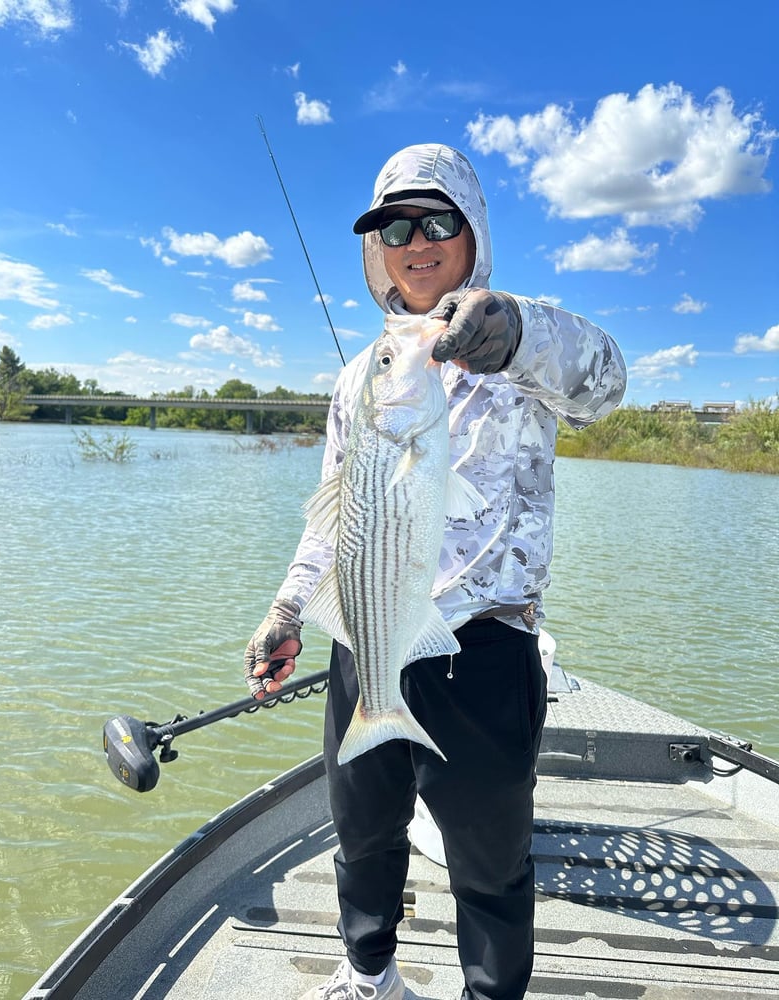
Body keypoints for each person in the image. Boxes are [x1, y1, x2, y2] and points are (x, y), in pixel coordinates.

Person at [243, 143, 627, 1000]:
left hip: (482, 649)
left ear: (471, 230)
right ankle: (367, 974)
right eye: (393, 228)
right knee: (362, 835)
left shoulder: (525, 348)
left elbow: (607, 383)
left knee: (490, 861)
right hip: (370, 635)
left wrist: (515, 334)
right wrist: (287, 611)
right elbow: (333, 519)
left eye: (436, 221)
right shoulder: (358, 380)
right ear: (375, 252)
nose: (414, 242)